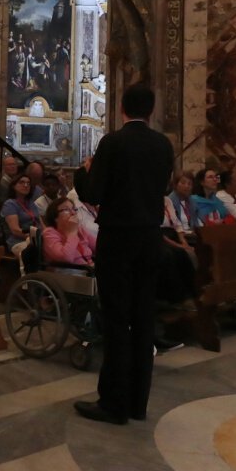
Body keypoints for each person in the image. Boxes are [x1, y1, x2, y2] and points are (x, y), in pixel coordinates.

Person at [74, 83, 175, 426]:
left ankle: (113, 403)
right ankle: (137, 403)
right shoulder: (163, 144)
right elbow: (163, 188)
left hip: (118, 239)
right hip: (150, 239)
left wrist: (84, 172)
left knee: (117, 319)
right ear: (150, 110)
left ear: (121, 109)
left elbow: (94, 192)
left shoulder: (113, 143)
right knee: (144, 318)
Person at [1, 173, 43, 268]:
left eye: (28, 183)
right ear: (13, 186)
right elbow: (15, 230)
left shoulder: (31, 203)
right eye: (22, 182)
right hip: (18, 241)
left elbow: (41, 223)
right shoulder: (10, 204)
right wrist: (34, 237)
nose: (26, 185)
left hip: (36, 238)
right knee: (33, 252)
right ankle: (29, 279)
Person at [41, 198, 95, 267]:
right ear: (55, 217)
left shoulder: (80, 229)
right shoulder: (49, 233)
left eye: (74, 209)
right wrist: (72, 233)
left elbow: (99, 246)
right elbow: (66, 258)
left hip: (90, 269)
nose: (73, 213)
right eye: (66, 210)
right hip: (71, 274)